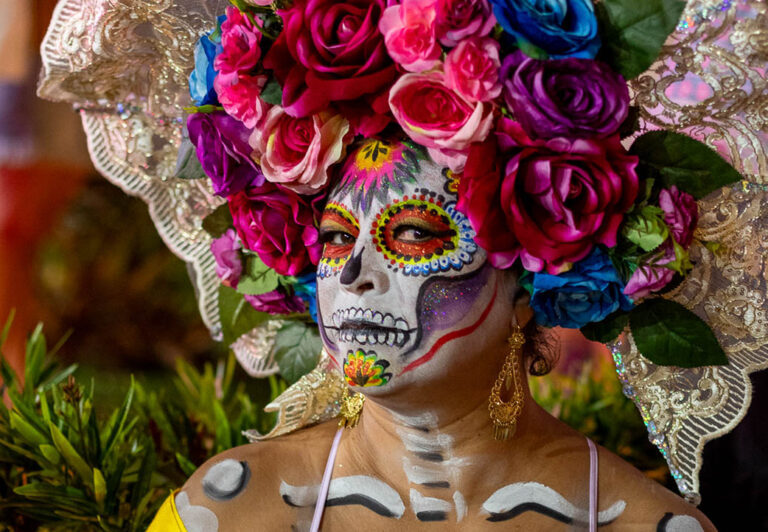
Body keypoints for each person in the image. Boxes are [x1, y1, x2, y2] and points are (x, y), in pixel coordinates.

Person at [148, 139, 714, 531]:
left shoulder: (642, 522)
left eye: (414, 233)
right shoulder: (228, 509)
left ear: (526, 289)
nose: (352, 274)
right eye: (337, 238)